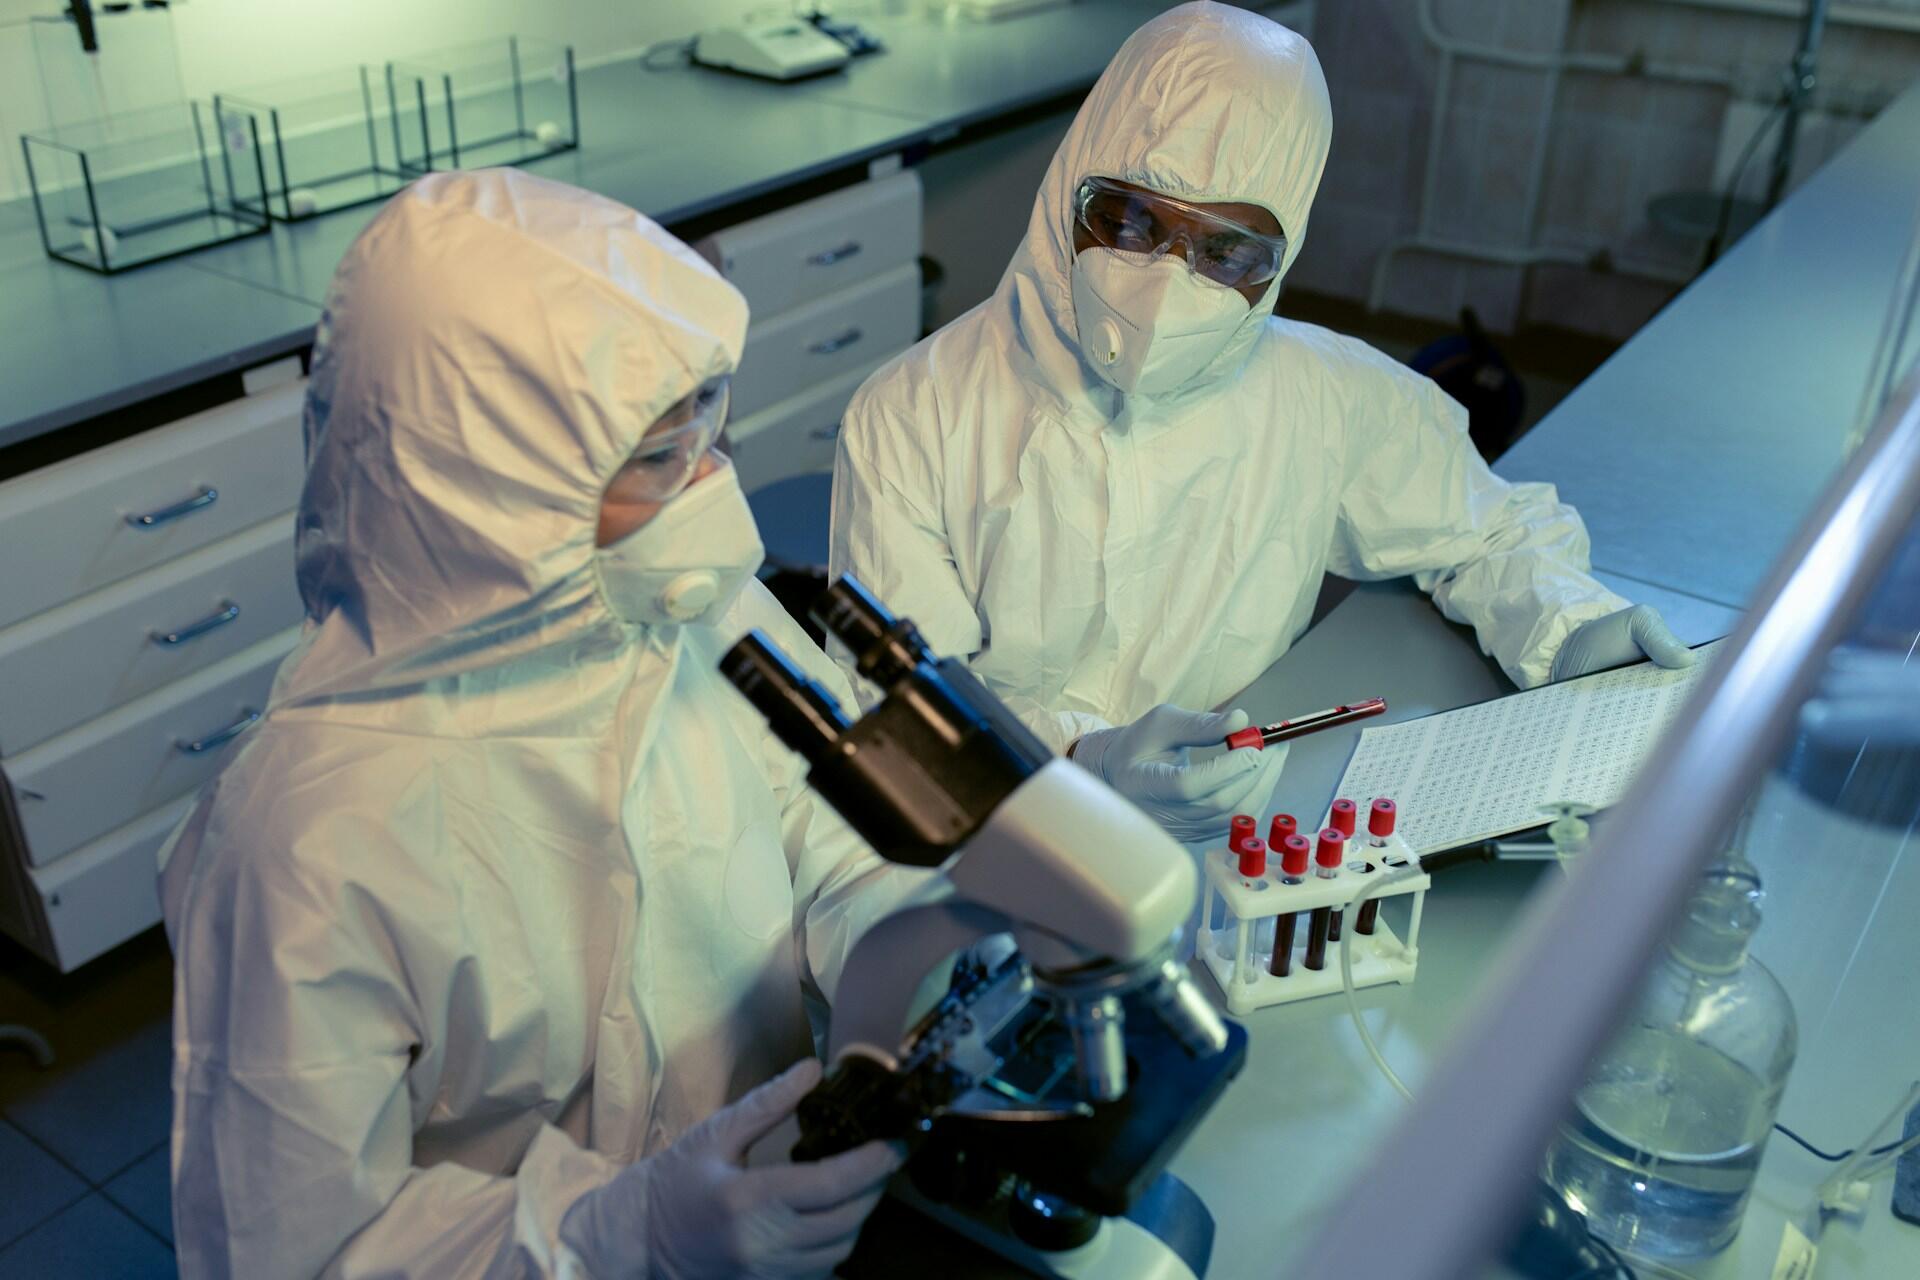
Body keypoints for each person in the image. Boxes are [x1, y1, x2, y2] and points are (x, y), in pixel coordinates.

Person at [162, 169, 919, 1279]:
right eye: (657, 459)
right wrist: (620, 1234)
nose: (713, 484)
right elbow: (294, 1255)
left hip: (777, 1225)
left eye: (707, 425)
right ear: (496, 499)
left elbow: (832, 838)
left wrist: (926, 960)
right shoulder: (301, 844)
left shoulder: (690, 613)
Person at [829, 1, 1693, 836]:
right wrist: (1081, 760)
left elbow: (1492, 530)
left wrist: (1569, 628)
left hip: (1232, 823)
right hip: (991, 832)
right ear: (1072, 184)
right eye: (1131, 221)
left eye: (1226, 252)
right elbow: (903, 709)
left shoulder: (1324, 399)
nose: (1165, 286)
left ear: (1280, 257)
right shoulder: (912, 414)